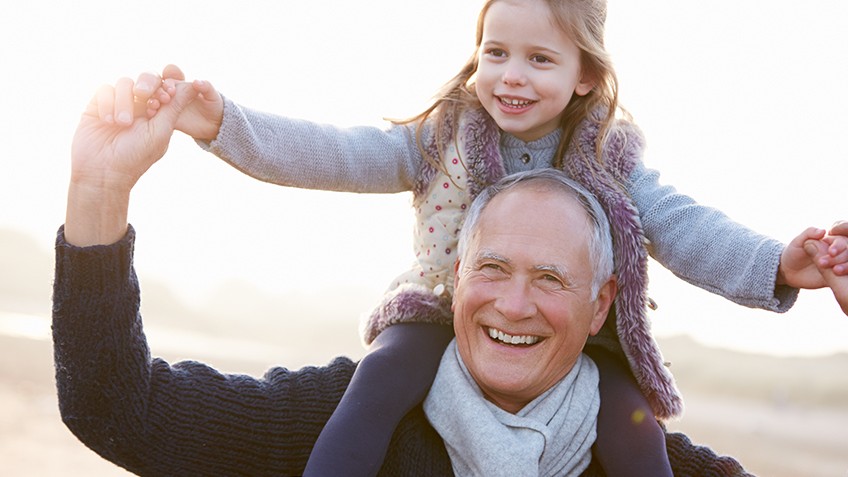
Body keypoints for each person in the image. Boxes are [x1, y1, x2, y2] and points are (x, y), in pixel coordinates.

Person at [137, 0, 848, 474]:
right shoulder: (442, 134)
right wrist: (222, 123)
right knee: (377, 381)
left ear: (585, 76)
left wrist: (778, 264)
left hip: (582, 334)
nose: (510, 76)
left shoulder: (611, 157)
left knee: (636, 432)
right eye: (496, 52)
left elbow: (689, 228)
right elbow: (336, 153)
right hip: (440, 306)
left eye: (540, 60)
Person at [54, 76, 756, 474]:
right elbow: (120, 409)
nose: (513, 304)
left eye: (549, 278)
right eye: (492, 267)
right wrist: (97, 192)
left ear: (602, 303)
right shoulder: (351, 417)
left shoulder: (644, 460)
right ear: (454, 272)